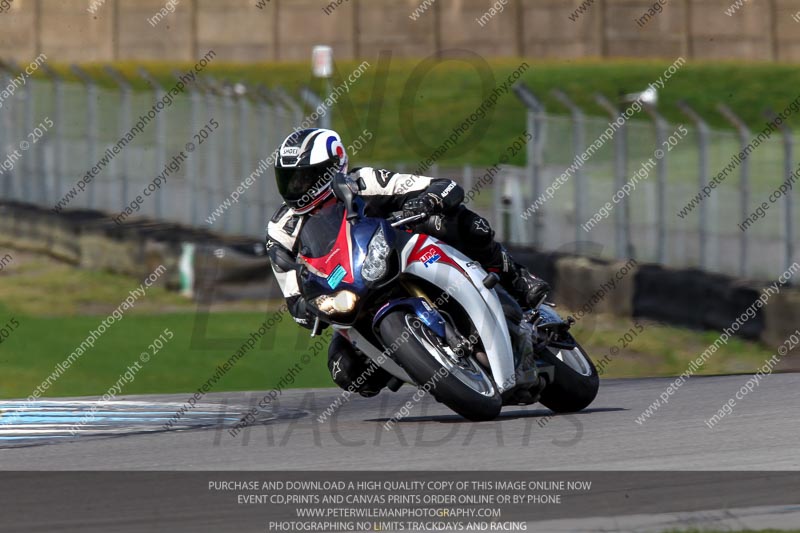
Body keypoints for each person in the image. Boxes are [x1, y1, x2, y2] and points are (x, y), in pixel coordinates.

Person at [266, 128, 549, 397]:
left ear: (333, 166)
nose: (296, 188)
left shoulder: (363, 181)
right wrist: (309, 306)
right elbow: (293, 298)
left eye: (306, 178)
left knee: (461, 223)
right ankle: (421, 363)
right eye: (288, 179)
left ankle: (518, 279)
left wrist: (427, 201)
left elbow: (446, 187)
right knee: (345, 371)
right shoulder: (280, 230)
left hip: (398, 254)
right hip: (351, 292)